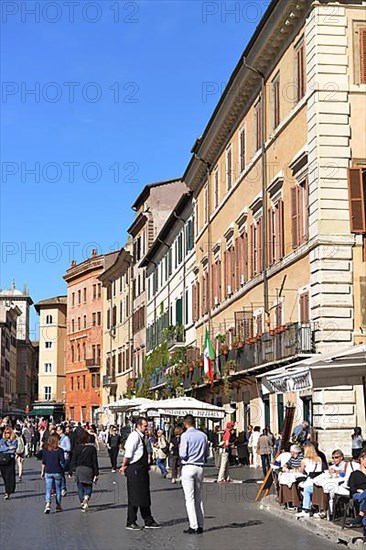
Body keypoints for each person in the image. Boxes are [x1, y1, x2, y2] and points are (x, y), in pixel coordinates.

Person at [120, 417, 161, 530]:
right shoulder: (134, 436)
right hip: (135, 469)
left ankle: (148, 520)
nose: (147, 427)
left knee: (144, 496)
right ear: (138, 426)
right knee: (134, 496)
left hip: (141, 469)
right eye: (145, 426)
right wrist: (124, 466)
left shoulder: (142, 437)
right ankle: (131, 521)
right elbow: (128, 454)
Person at [179, 414, 209, 534]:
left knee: (189, 499)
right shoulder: (203, 435)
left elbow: (183, 454)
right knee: (198, 498)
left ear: (185, 423)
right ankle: (201, 525)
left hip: (188, 467)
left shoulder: (185, 436)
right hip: (200, 467)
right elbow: (206, 454)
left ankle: (193, 525)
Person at [69, 429, 99, 512]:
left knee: (80, 487)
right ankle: (86, 497)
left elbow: (73, 460)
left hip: (79, 469)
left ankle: (82, 501)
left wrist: (70, 471)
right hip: (89, 469)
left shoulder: (77, 448)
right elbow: (95, 462)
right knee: (88, 486)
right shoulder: (92, 449)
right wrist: (96, 473)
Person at [295, 442, 323, 518]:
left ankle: (305, 509)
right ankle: (311, 506)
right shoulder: (319, 459)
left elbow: (301, 471)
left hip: (310, 481)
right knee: (307, 489)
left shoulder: (304, 460)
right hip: (318, 480)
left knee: (303, 489)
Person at [41, 433, 65, 514]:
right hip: (57, 471)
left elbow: (43, 462)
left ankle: (48, 504)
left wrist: (42, 472)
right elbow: (62, 462)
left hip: (48, 471)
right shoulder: (60, 450)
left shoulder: (45, 450)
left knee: (48, 489)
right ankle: (58, 505)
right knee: (58, 489)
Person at [0, 426, 18, 499]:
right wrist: (8, 448)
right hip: (2, 461)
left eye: (8, 433)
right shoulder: (2, 440)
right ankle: (8, 490)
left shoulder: (14, 441)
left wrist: (5, 449)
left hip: (10, 460)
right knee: (4, 477)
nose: (7, 434)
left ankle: (7, 492)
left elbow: (13, 450)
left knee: (9, 477)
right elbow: (0, 448)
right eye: (6, 433)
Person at [56, 425, 71, 496]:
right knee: (59, 473)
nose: (57, 431)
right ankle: (60, 488)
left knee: (61, 473)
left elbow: (68, 448)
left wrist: (60, 447)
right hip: (58, 457)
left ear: (61, 430)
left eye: (58, 430)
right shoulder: (58, 438)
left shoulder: (66, 438)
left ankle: (63, 488)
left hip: (65, 457)